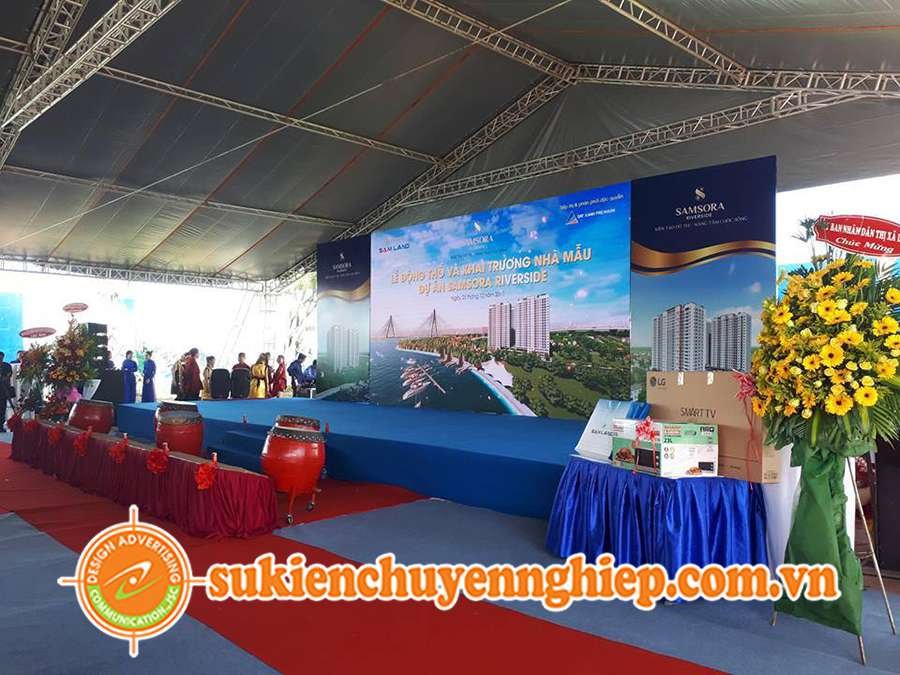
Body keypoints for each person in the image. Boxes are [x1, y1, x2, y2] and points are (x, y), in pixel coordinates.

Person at [0, 352, 11, 432]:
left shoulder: (7, 365)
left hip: (3, 390)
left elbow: (9, 375)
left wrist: (4, 379)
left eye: (1, 358)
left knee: (2, 409)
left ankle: (1, 426)